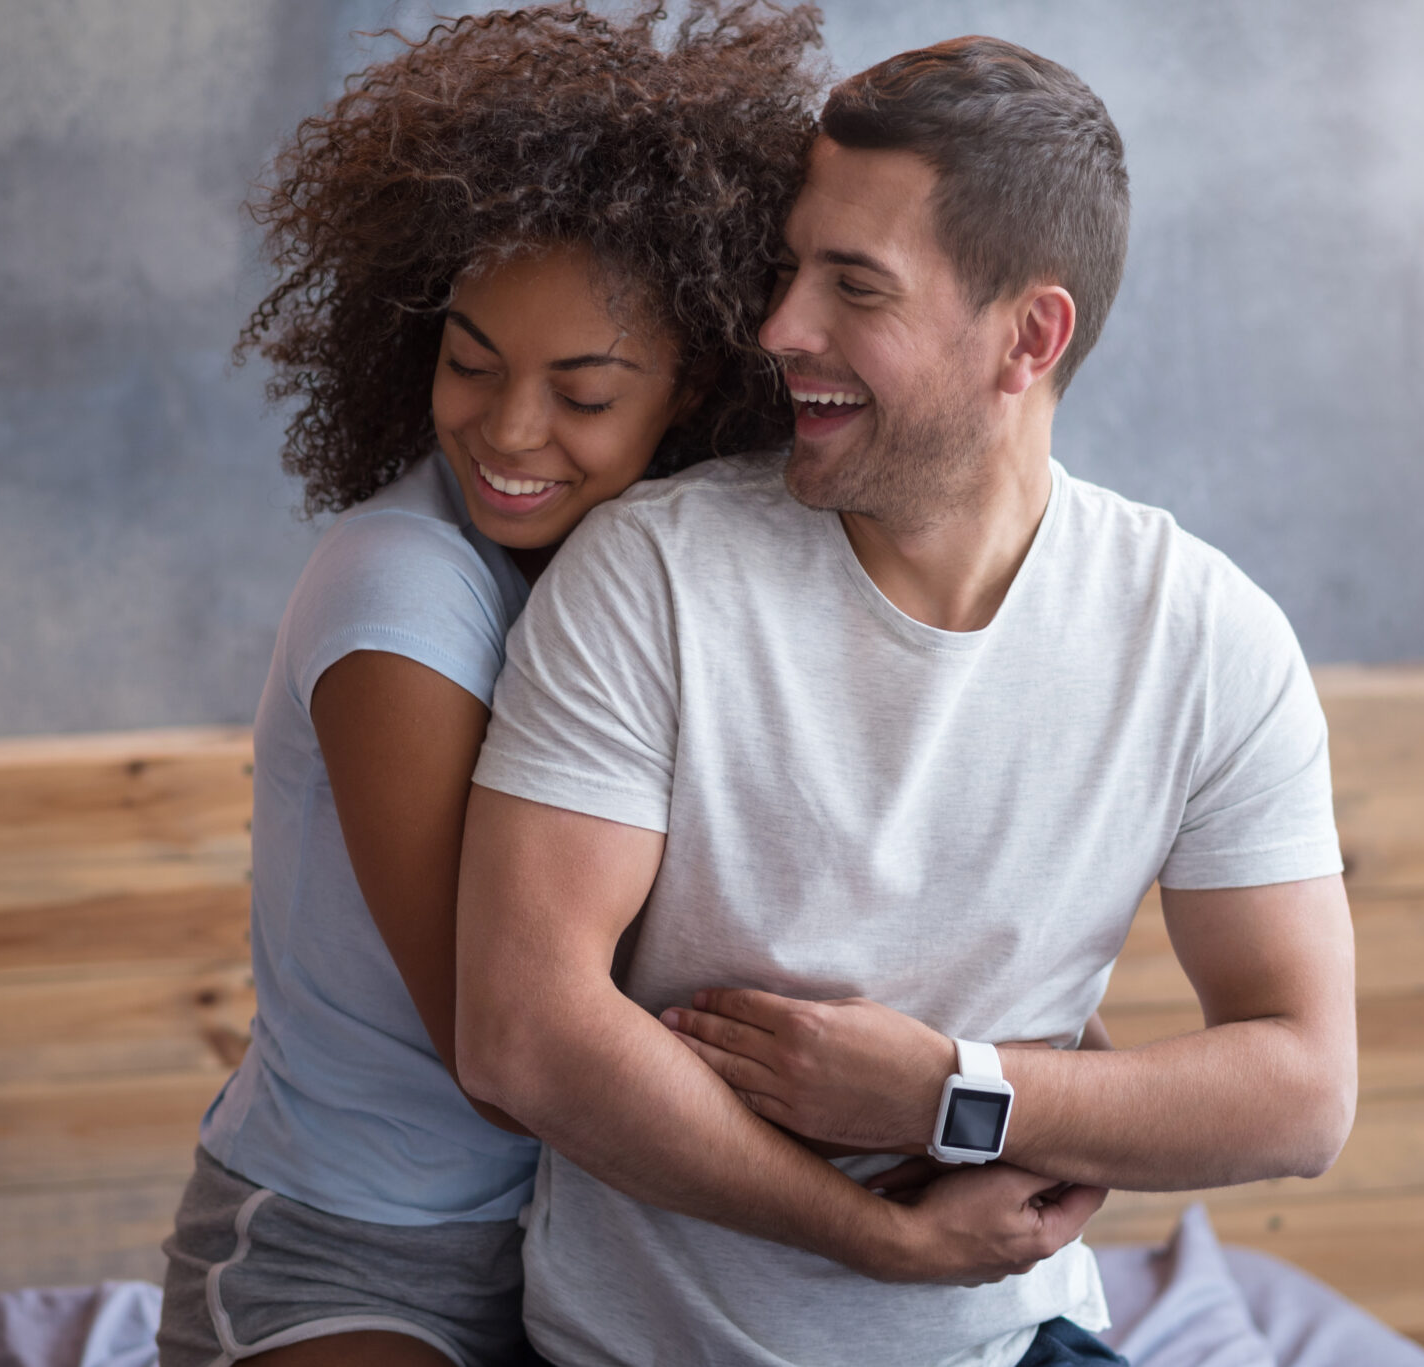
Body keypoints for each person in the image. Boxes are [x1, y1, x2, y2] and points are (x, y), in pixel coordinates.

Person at [456, 34, 1358, 1367]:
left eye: (855, 288)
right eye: (793, 266)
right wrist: (873, 1235)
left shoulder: (1207, 637)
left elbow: (1301, 1093)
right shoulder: (654, 577)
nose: (780, 330)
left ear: (1029, 335)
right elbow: (519, 1032)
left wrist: (956, 1095)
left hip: (1015, 1345)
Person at [156, 7, 826, 1366]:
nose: (508, 432)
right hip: (350, 1252)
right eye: (471, 362)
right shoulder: (400, 587)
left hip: (599, 1249)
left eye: (582, 395)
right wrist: (867, 1204)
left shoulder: (675, 576)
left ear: (693, 380)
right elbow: (506, 1046)